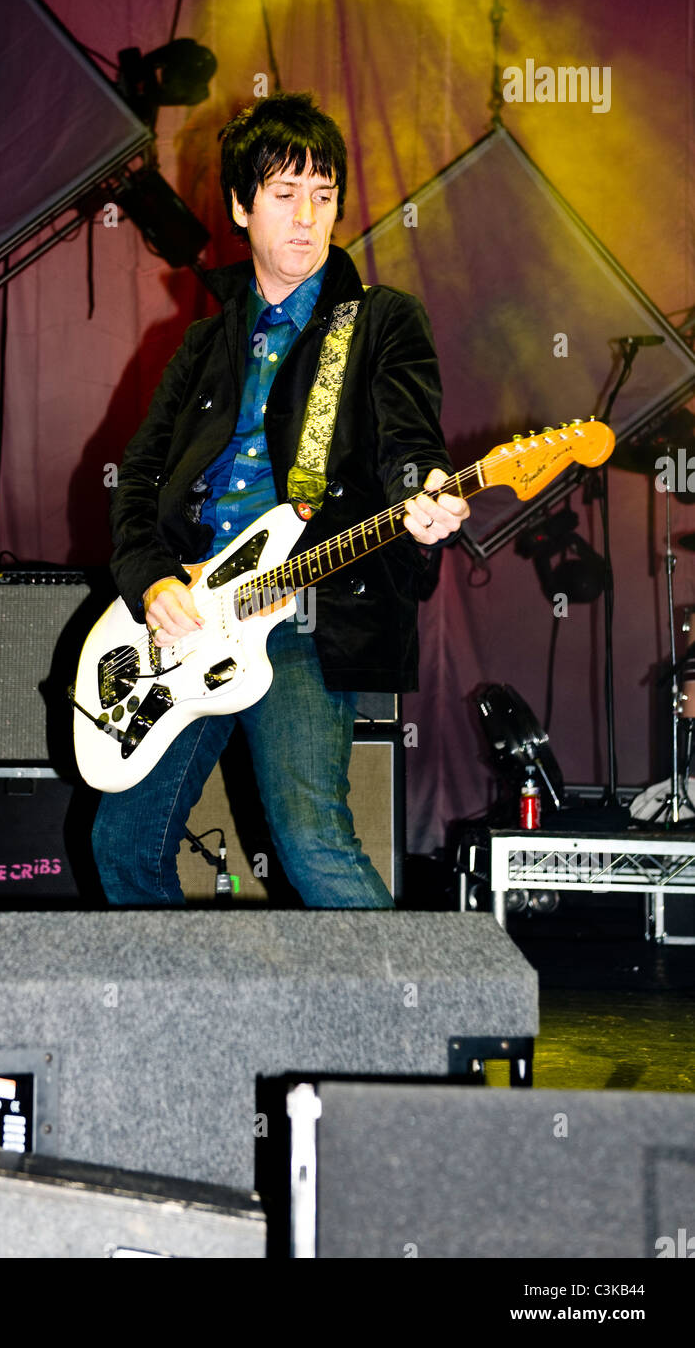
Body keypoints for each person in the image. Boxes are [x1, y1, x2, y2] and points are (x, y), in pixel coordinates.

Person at [92, 91, 469, 907]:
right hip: (190, 620)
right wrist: (154, 582)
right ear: (239, 205)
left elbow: (410, 445)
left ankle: (408, 1024)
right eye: (285, 194)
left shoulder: (376, 323)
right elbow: (140, 483)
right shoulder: (203, 342)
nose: (308, 216)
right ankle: (177, 1028)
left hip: (301, 615)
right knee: (121, 844)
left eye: (324, 195)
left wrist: (427, 494)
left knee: (310, 838)